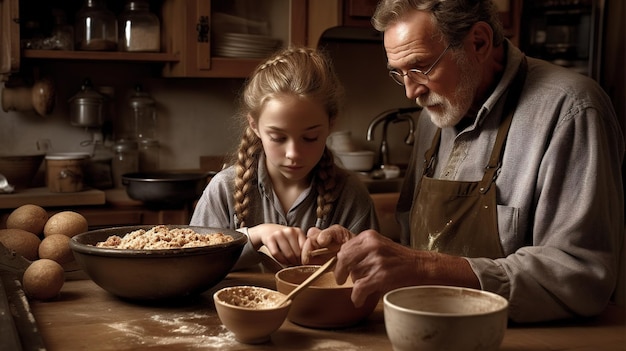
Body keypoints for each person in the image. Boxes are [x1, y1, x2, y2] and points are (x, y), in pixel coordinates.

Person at [302, 0, 624, 323]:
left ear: (479, 42)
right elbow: (419, 244)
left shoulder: (572, 111)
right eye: (399, 74)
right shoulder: (434, 115)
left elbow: (582, 276)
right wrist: (362, 253)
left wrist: (424, 267)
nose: (411, 92)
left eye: (421, 67)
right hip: (435, 329)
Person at [190, 46, 378, 269]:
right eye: (278, 138)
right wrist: (254, 236)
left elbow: (371, 277)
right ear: (255, 126)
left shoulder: (351, 195)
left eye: (310, 137)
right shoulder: (223, 189)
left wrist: (342, 258)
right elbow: (191, 266)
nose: (293, 154)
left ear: (331, 124)